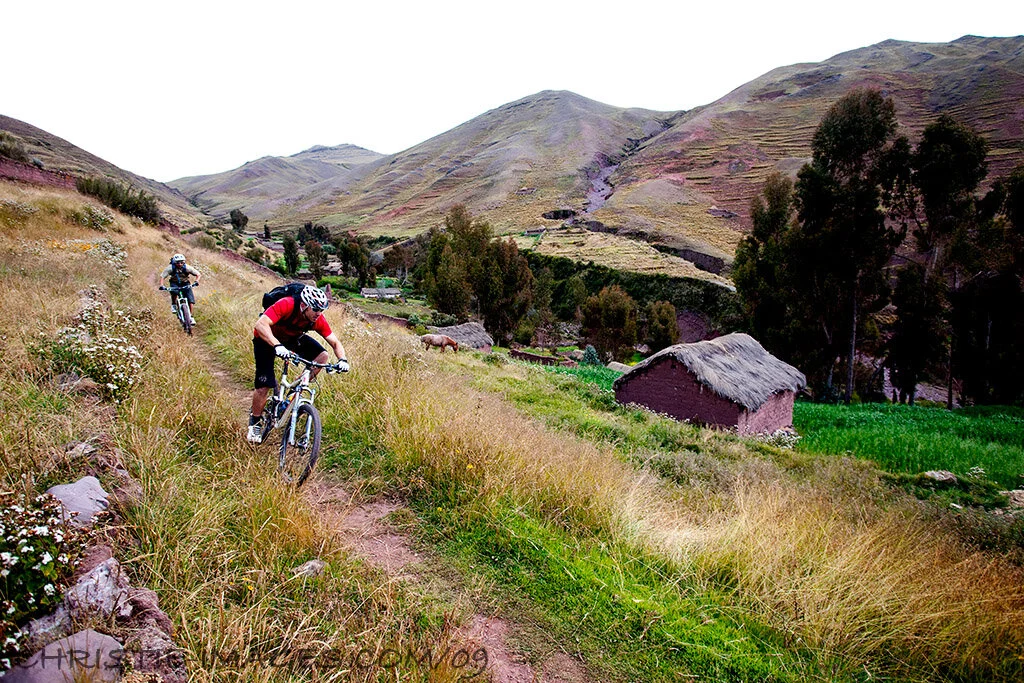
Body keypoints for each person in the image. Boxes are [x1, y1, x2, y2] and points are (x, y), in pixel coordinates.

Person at [247, 285, 349, 443]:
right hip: (266, 339)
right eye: (315, 309)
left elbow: (335, 342)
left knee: (322, 356)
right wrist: (276, 345)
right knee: (264, 383)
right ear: (304, 305)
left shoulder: (317, 319)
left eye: (321, 310)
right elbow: (261, 324)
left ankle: (291, 397)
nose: (318, 313)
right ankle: (255, 423)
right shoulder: (287, 304)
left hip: (290, 339)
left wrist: (343, 360)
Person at [159, 253, 201, 325]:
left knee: (190, 299)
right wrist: (161, 285)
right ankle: (174, 305)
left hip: (185, 283)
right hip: (174, 282)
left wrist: (196, 281)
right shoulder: (170, 268)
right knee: (174, 292)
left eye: (182, 262)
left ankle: (190, 316)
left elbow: (198, 274)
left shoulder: (187, 268)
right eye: (178, 263)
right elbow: (162, 276)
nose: (180, 264)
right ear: (175, 263)